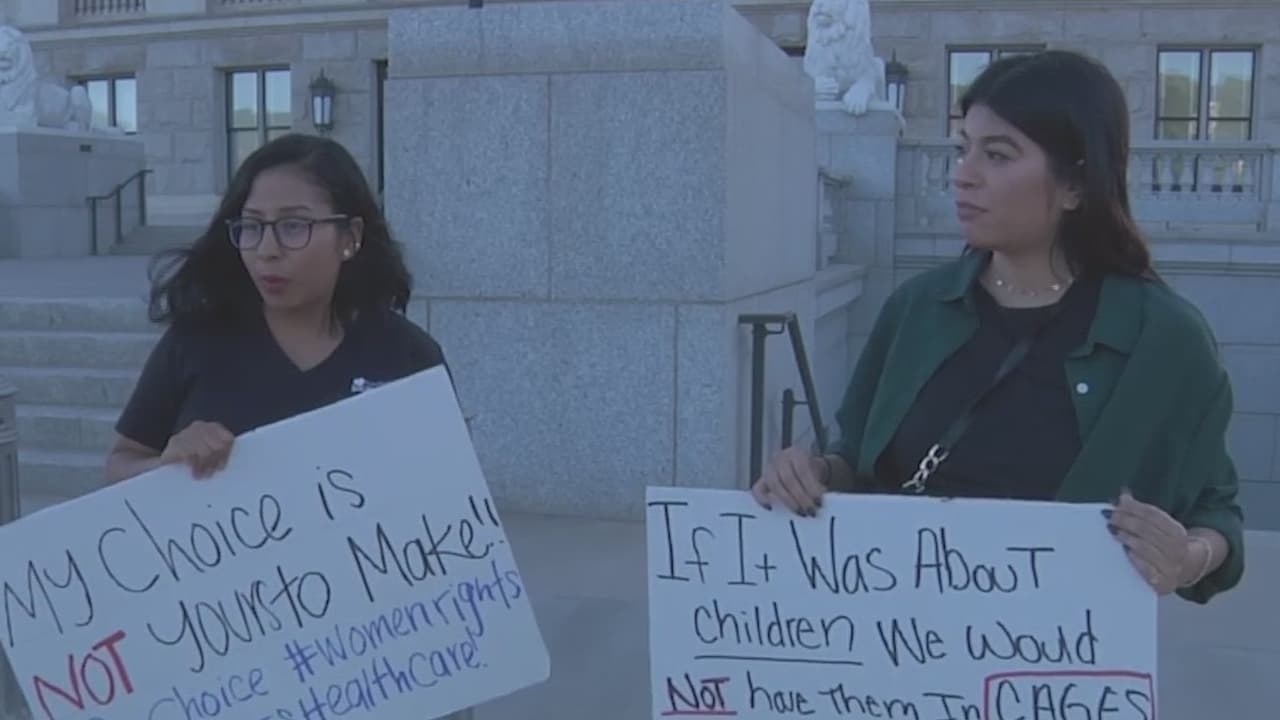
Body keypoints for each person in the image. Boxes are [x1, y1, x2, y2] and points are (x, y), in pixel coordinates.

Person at [751, 50, 1244, 604]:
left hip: (1057, 642)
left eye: (998, 155)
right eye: (963, 149)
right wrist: (811, 473)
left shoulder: (1165, 338)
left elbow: (1215, 513)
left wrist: (1186, 557)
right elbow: (854, 461)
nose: (963, 175)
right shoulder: (916, 307)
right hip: (891, 629)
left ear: (1076, 185)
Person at [105, 133, 447, 483]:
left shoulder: (408, 355)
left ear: (350, 236)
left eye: (293, 226)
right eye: (252, 226)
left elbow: (445, 481)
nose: (267, 250)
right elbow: (120, 464)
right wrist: (167, 467)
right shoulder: (195, 341)